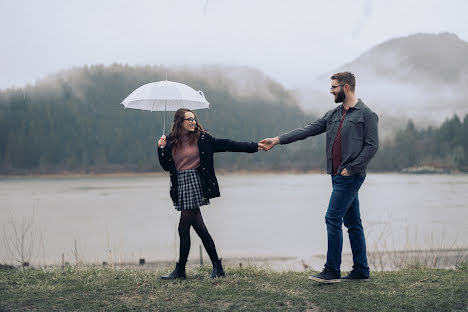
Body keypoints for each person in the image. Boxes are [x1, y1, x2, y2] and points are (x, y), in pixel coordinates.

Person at [260, 72, 378, 283]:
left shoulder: (366, 114)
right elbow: (307, 130)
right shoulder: (333, 114)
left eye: (334, 87)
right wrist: (277, 140)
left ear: (347, 88)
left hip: (350, 176)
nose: (331, 91)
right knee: (353, 222)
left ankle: (332, 270)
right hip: (336, 175)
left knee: (332, 218)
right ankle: (361, 270)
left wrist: (351, 169)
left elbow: (372, 146)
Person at [157, 108, 263, 279]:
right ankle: (216, 267)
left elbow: (227, 144)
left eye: (194, 118)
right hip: (181, 185)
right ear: (179, 122)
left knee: (183, 227)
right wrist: (161, 148)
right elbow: (166, 166)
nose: (193, 121)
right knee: (199, 228)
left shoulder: (203, 138)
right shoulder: (170, 141)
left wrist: (254, 146)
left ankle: (181, 269)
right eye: (189, 119)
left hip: (196, 183)